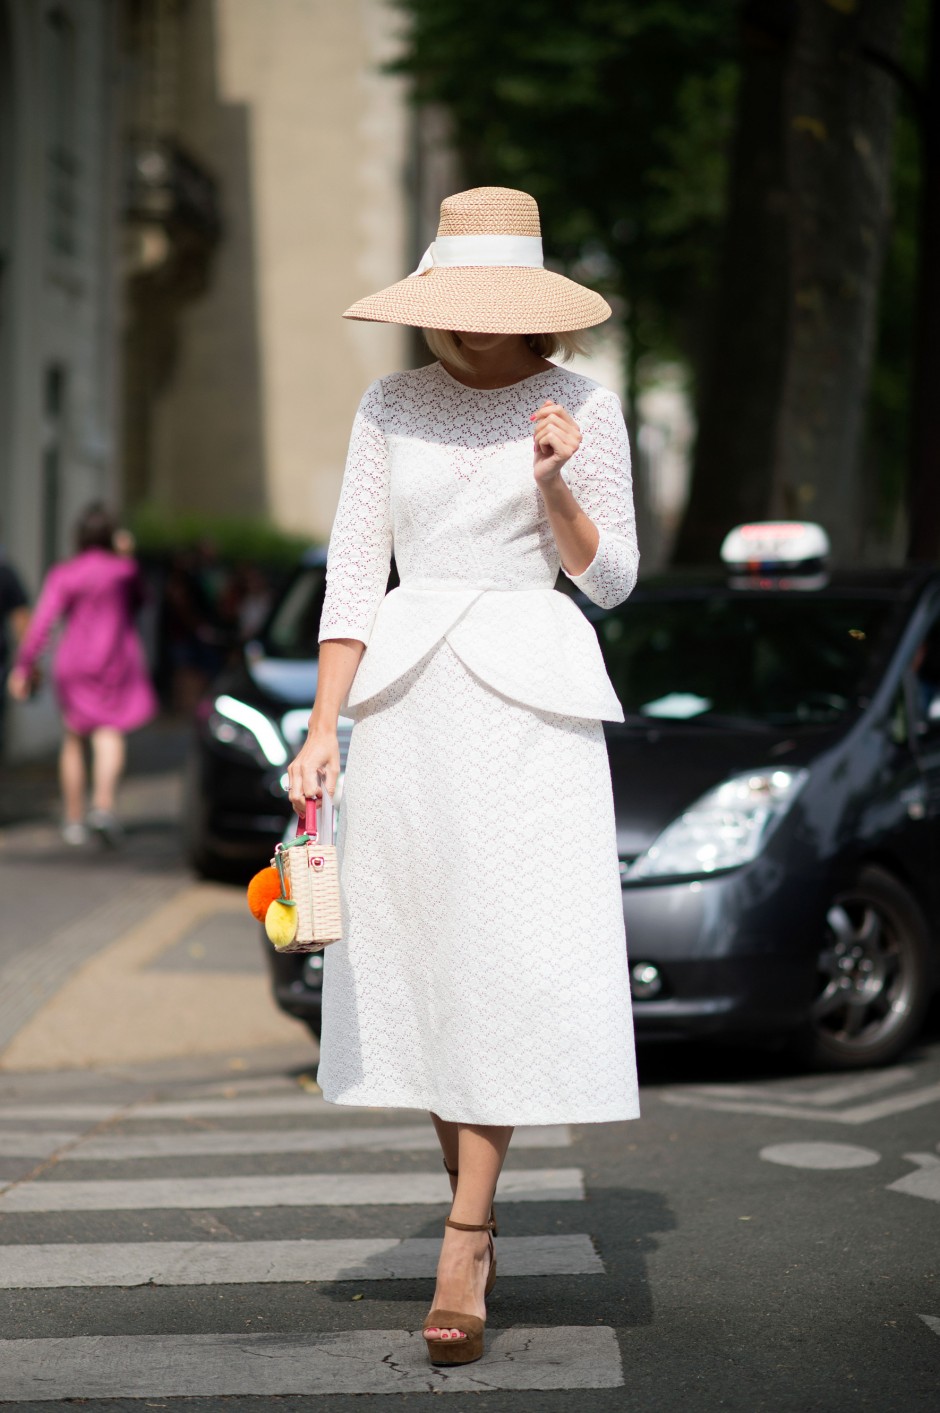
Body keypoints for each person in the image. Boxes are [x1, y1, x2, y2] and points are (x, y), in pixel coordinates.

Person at [286, 187, 640, 1366]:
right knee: (428, 959)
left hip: (530, 712)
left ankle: (465, 1231)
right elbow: (351, 573)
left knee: (499, 955)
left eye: (482, 308)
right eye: (447, 306)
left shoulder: (583, 402)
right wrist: (323, 723)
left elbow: (613, 580)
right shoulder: (389, 401)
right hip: (407, 708)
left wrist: (553, 483)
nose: (460, 328)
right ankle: (474, 1221)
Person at [8, 504, 158, 845]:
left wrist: (24, 666)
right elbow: (143, 601)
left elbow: (42, 622)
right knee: (109, 734)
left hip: (73, 664)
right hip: (115, 662)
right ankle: (102, 808)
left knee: (74, 737)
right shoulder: (124, 571)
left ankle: (73, 819)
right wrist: (127, 554)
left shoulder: (65, 573)